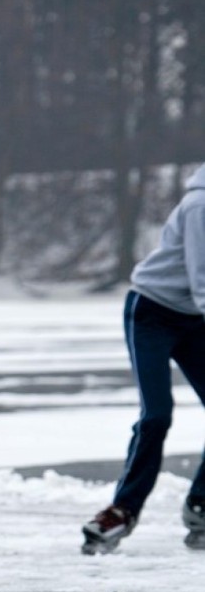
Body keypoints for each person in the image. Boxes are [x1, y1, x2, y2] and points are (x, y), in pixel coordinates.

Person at [82, 167, 205, 554]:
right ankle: (122, 510)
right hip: (151, 311)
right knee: (157, 415)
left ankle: (201, 505)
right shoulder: (201, 204)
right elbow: (203, 280)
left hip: (193, 317)